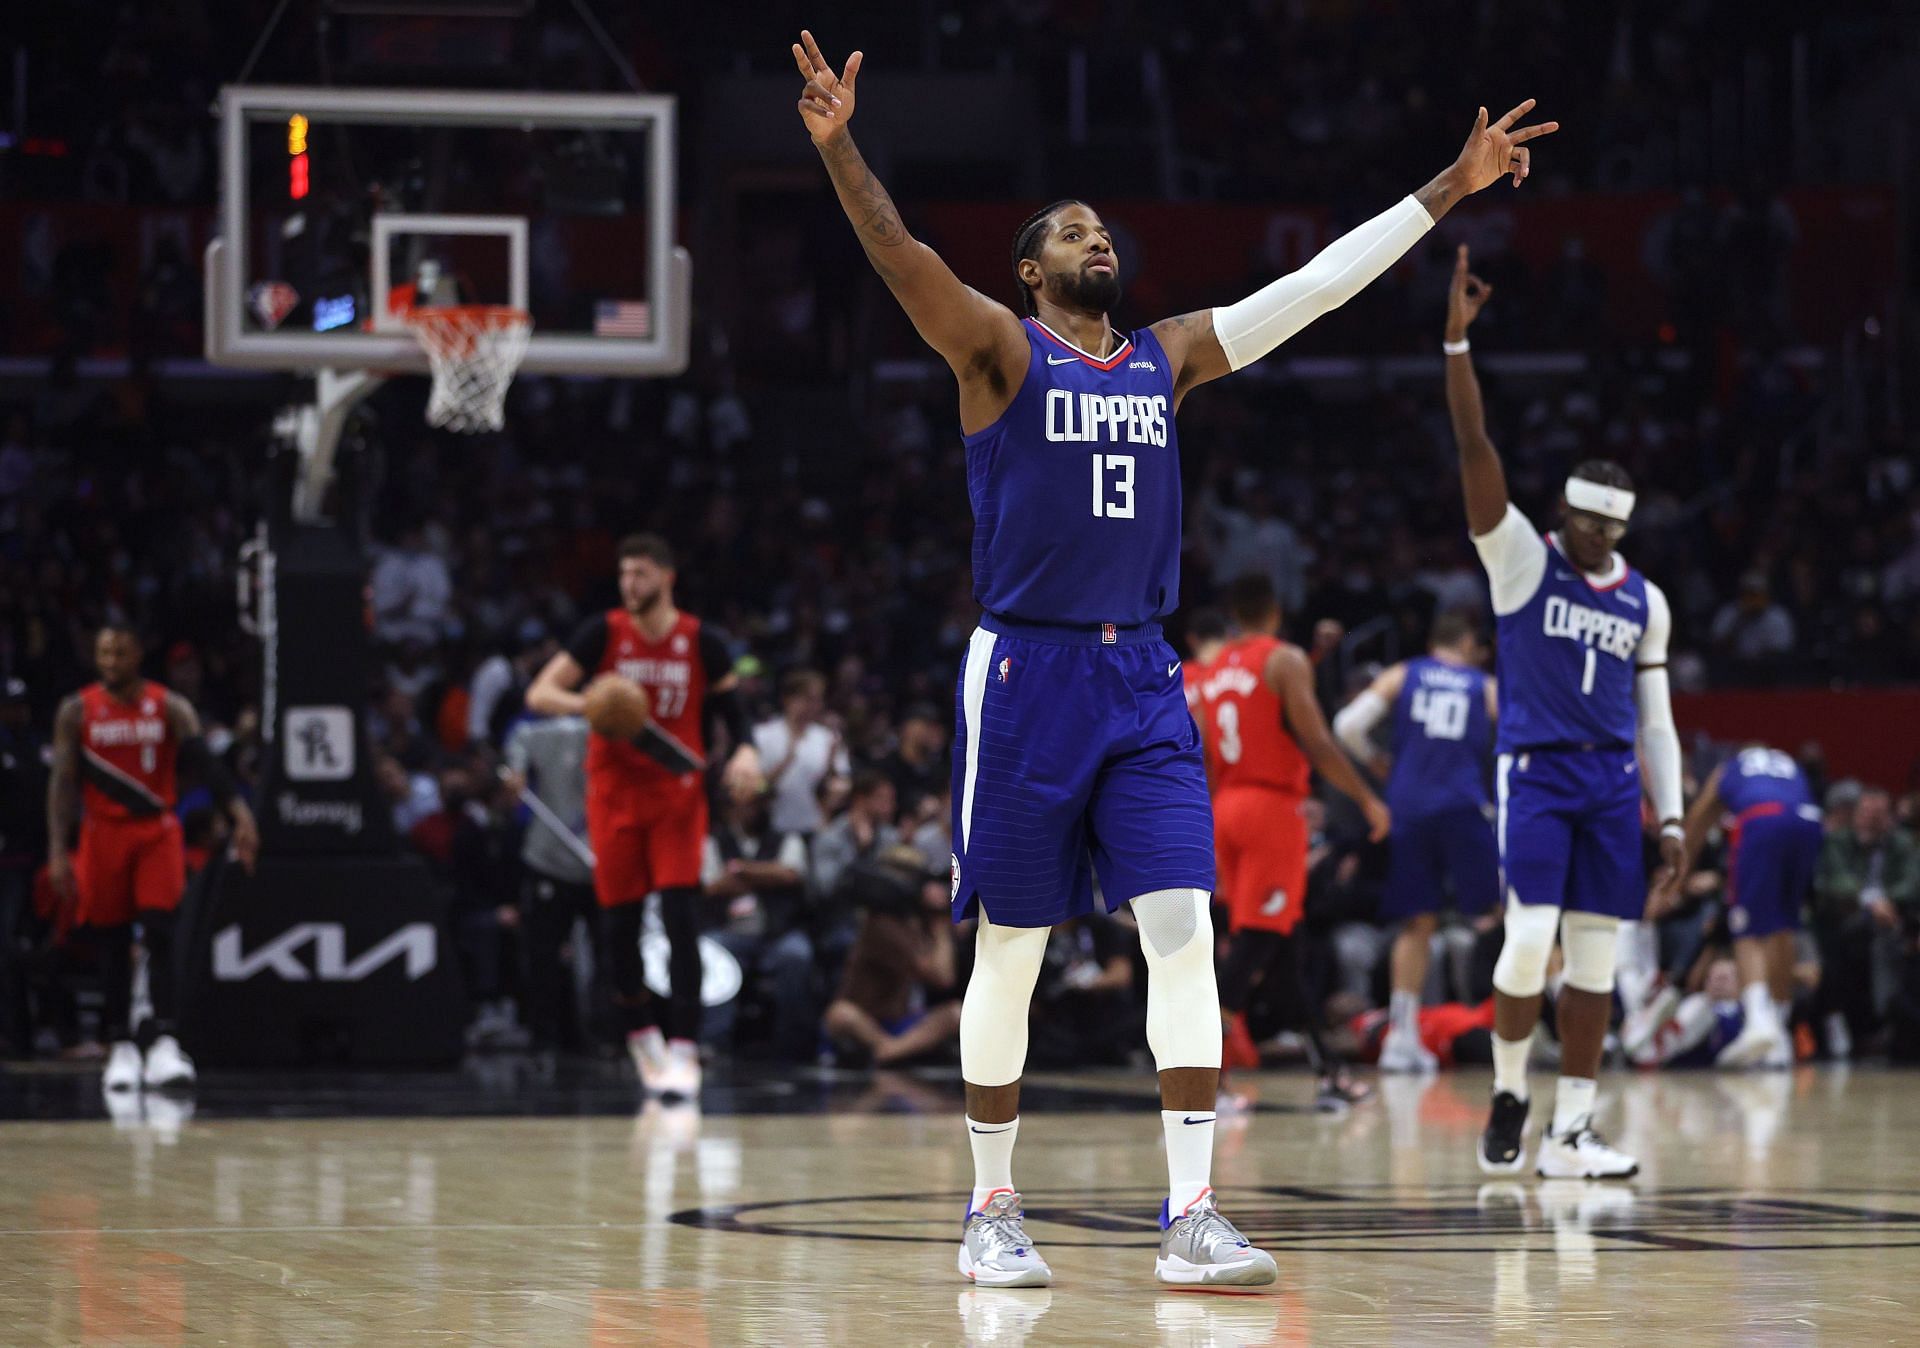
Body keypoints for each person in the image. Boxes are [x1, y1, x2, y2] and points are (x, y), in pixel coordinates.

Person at [795, 25, 1558, 1286]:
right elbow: (898, 253)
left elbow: (1310, 289)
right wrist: (841, 151)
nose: (1101, 241)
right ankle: (992, 1207)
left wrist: (1445, 190)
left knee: (1184, 930)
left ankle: (1191, 1210)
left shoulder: (1167, 354)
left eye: (1106, 229)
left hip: (1142, 676)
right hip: (1027, 675)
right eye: (1074, 231)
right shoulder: (997, 349)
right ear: (1032, 268)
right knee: (1014, 949)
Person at [1443, 244, 1684, 1180]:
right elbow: (1474, 450)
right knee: (1528, 943)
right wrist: (1457, 347)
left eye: (1613, 530)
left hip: (1610, 779)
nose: (1599, 540)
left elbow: (1657, 719)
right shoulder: (1520, 558)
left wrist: (1668, 818)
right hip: (1537, 770)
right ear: (1565, 515)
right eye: (1589, 525)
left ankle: (1571, 1132)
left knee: (1597, 965)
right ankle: (1509, 1089)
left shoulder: (1645, 600)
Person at [526, 534, 763, 1100]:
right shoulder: (603, 633)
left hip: (678, 795)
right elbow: (540, 693)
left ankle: (685, 1046)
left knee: (682, 919)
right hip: (613, 796)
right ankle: (640, 1033)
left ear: (667, 577)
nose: (629, 585)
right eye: (624, 574)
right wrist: (595, 704)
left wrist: (748, 751)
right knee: (619, 929)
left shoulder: (701, 640)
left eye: (640, 574)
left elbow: (735, 714)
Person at [1195, 574, 1389, 1109]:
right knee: (1256, 942)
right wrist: (1368, 798)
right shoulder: (1283, 660)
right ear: (1275, 611)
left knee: (1285, 950)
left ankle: (1329, 1075)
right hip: (1271, 811)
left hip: (1226, 808)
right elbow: (1318, 741)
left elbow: (1210, 756)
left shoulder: (1214, 672)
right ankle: (1205, 1076)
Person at [45, 625, 259, 1092]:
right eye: (103, 652)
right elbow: (62, 783)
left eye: (119, 652)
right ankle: (120, 1043)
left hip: (155, 830)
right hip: (103, 835)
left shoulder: (169, 706)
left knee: (162, 932)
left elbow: (208, 767)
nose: (110, 661)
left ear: (138, 653)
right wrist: (58, 849)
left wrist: (240, 813)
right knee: (111, 942)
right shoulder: (77, 710)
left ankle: (163, 1040)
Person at [1334, 611, 1499, 1072]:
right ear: (1467, 643)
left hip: (1409, 807)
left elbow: (1347, 725)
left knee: (1416, 921)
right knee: (1506, 910)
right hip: (1465, 807)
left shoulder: (1403, 674)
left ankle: (1401, 1037)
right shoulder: (1482, 686)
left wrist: (1377, 761)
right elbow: (1519, 738)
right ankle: (1539, 1024)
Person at [1656, 745, 1823, 1068]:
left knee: (1745, 924)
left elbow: (1697, 822)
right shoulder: (1787, 763)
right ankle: (1778, 1029)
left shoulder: (1730, 768)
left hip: (1763, 822)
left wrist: (1678, 876)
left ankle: (1758, 1021)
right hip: (1809, 822)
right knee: (1783, 927)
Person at [501, 713, 597, 1052]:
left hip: (604, 862)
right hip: (550, 859)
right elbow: (519, 741)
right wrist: (516, 769)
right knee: (543, 955)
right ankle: (544, 1038)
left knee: (611, 956)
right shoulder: (552, 732)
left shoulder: (627, 734)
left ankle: (608, 1037)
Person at [753, 669, 848, 837]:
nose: (814, 706)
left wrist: (832, 770)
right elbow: (756, 788)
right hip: (769, 829)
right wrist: (783, 764)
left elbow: (841, 785)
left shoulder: (828, 739)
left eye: (818, 700)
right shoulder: (762, 735)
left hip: (815, 829)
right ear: (788, 699)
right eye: (808, 699)